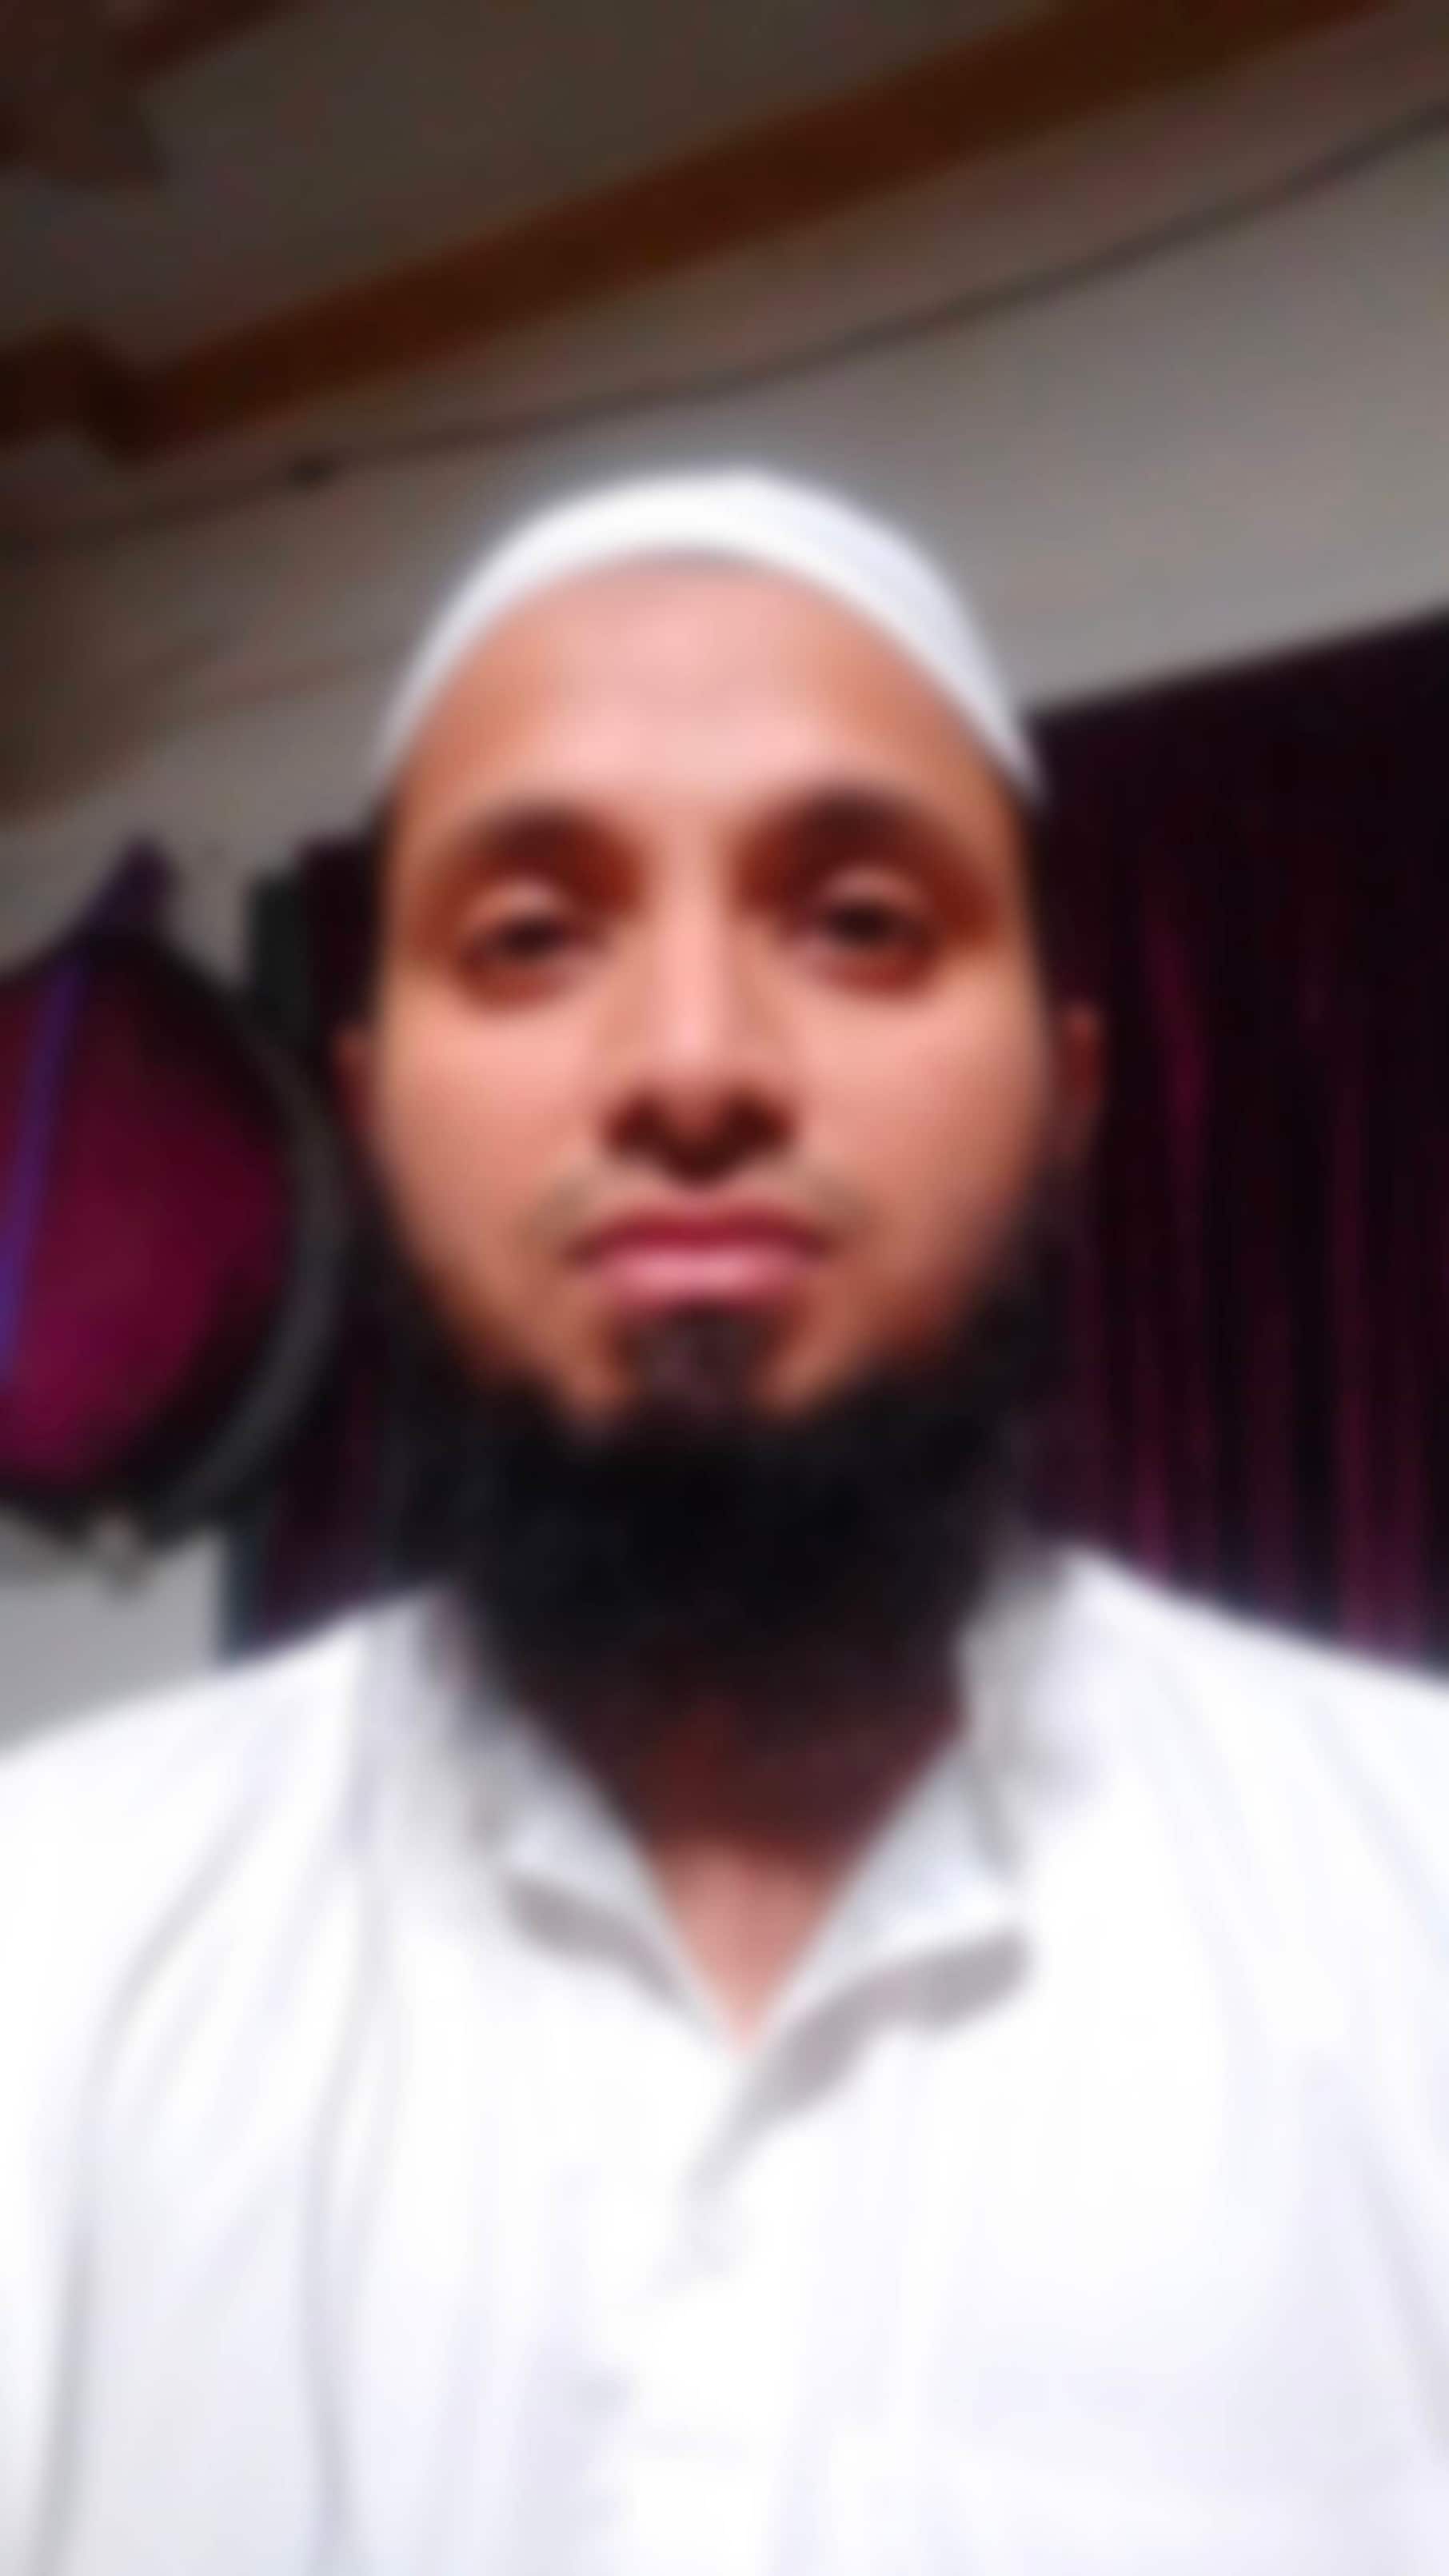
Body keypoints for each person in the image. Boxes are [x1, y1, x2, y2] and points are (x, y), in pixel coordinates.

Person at [0, 469, 1444, 2576]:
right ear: (375, 1114)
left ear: (1067, 1103)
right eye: (529, 938)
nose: (691, 1066)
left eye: (857, 922)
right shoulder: (45, 1944)